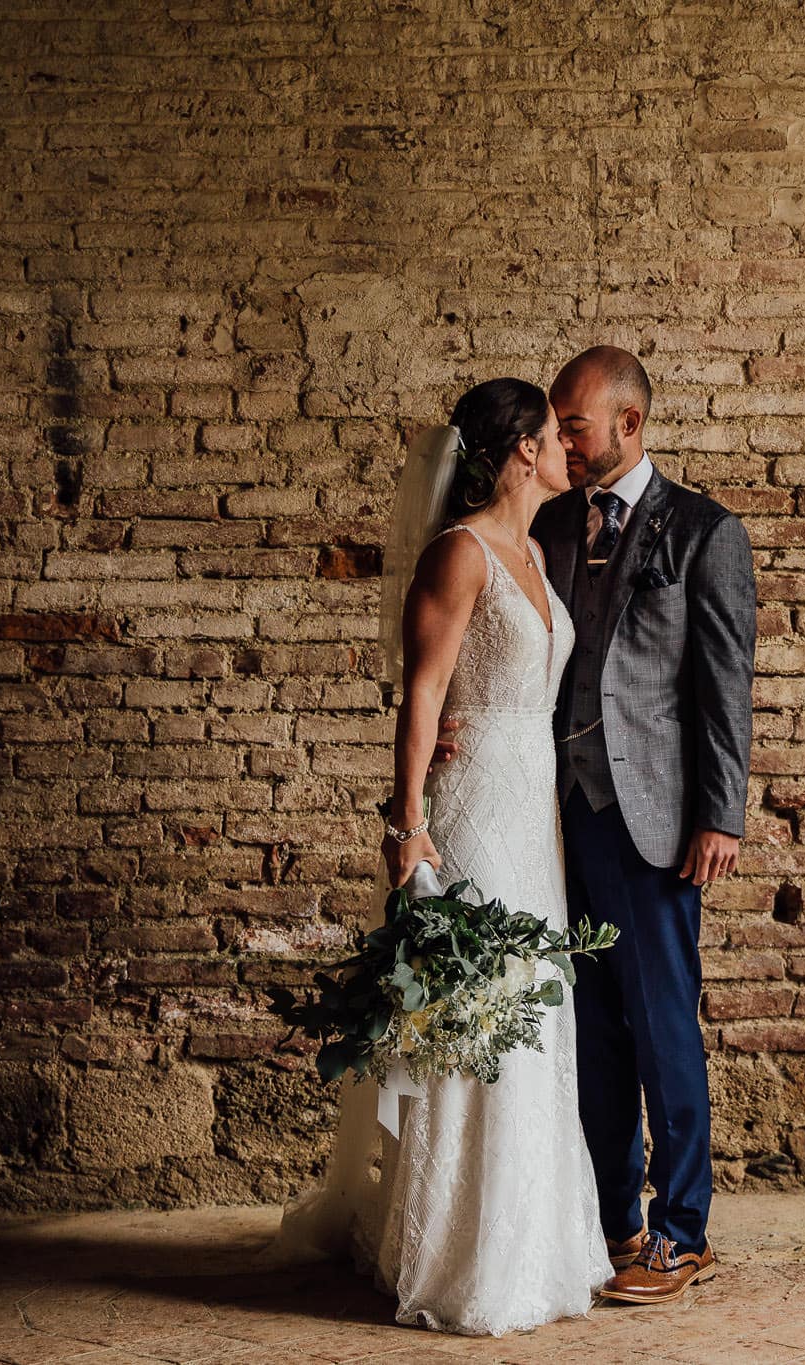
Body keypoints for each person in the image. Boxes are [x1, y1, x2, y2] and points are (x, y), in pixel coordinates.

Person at [270, 378, 611, 1336]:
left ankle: (533, 1240)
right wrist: (406, 826)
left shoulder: (538, 552)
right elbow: (421, 694)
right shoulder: (458, 556)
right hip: (469, 814)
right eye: (552, 436)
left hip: (529, 805)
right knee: (478, 1013)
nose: (566, 450)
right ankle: (461, 1255)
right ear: (516, 453)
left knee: (533, 1006)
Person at [440, 346, 757, 1305]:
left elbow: (723, 686)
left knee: (664, 1027)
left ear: (629, 423)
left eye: (572, 424)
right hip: (555, 819)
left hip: (657, 821)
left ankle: (682, 1230)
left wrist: (720, 813)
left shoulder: (704, 531)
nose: (561, 440)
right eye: (556, 427)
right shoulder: (548, 526)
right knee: (591, 1031)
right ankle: (614, 1217)